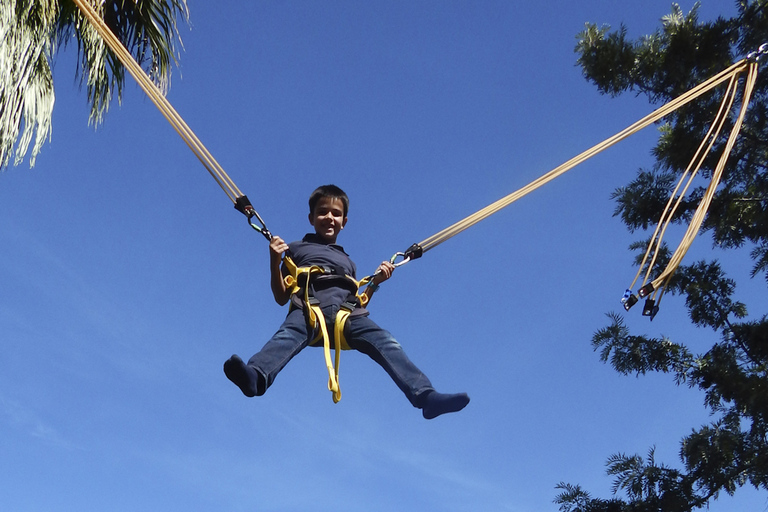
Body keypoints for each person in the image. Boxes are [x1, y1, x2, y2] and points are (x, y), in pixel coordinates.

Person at [224, 184, 469, 419]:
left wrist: (375, 282)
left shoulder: (348, 263)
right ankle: (255, 376)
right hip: (309, 309)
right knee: (285, 338)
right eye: (322, 212)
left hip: (348, 315)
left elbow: (357, 299)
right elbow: (280, 297)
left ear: (344, 222)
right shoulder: (296, 249)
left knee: (388, 343)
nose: (329, 217)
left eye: (336, 213)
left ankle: (425, 396)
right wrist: (274, 259)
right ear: (311, 218)